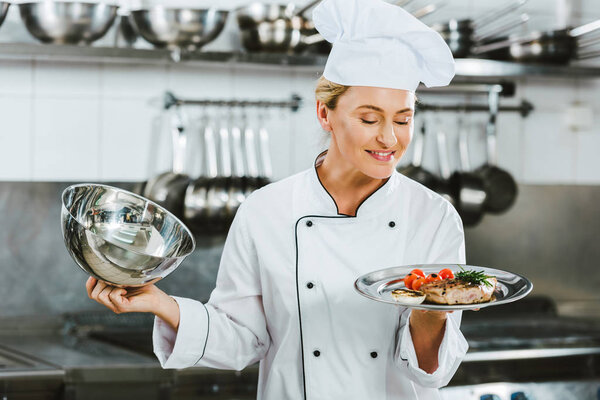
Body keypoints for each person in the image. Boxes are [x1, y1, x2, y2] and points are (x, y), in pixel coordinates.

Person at [86, 0, 469, 398]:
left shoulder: (434, 217)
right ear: (325, 113)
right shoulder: (266, 210)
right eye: (369, 119)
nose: (389, 139)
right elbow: (243, 338)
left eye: (403, 119)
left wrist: (432, 310)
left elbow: (431, 372)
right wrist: (161, 304)